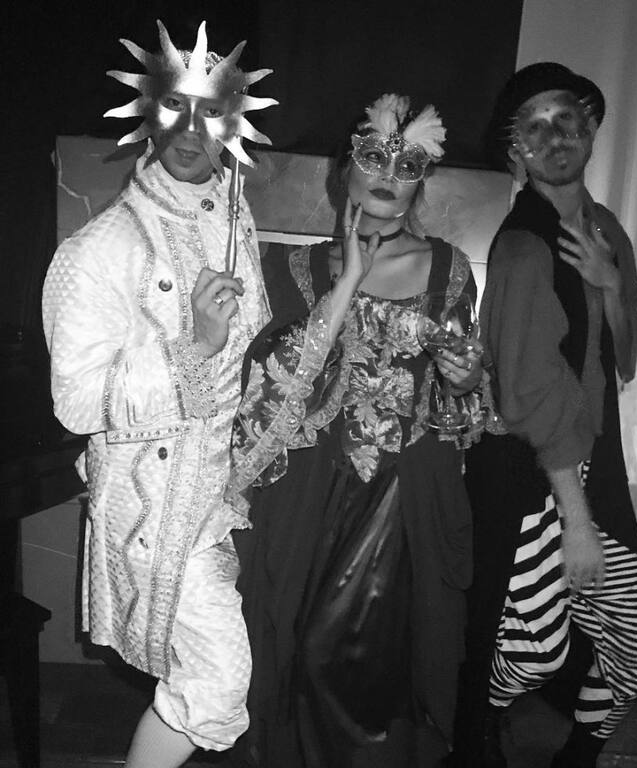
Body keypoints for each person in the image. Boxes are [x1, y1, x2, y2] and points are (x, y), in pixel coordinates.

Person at [42, 20, 276, 768]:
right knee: (218, 685)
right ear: (147, 112)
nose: (191, 131)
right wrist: (191, 349)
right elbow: (77, 402)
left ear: (234, 125)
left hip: (216, 495)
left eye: (213, 113)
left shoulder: (234, 216)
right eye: (175, 107)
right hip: (151, 506)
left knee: (204, 685)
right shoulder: (99, 249)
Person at [226, 93, 483, 768]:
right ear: (347, 168)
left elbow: (459, 412)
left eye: (409, 166)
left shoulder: (450, 270)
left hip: (401, 498)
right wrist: (349, 286)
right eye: (373, 157)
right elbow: (274, 386)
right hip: (310, 494)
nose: (388, 177)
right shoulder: (300, 269)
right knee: (296, 654)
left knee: (361, 664)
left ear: (422, 181)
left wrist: (461, 380)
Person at [449, 62, 637, 768]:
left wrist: (608, 285)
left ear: (590, 128)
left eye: (565, 118)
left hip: (594, 454)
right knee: (521, 643)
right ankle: (475, 741)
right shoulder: (522, 245)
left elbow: (628, 351)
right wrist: (575, 521)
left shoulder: (605, 232)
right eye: (534, 126)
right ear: (516, 150)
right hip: (526, 465)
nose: (554, 136)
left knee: (636, 640)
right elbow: (530, 391)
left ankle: (579, 753)